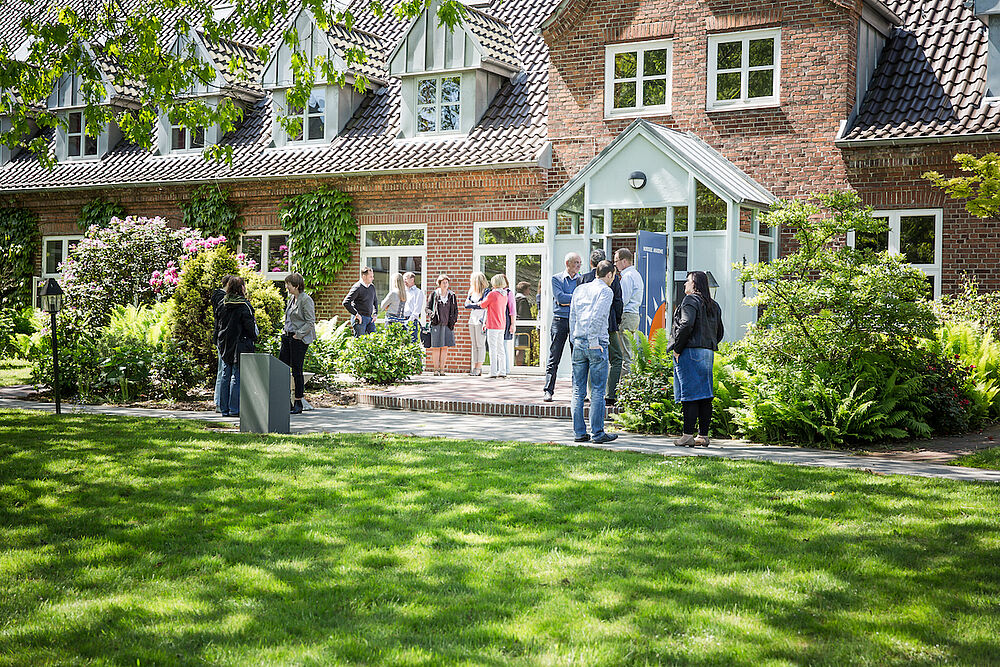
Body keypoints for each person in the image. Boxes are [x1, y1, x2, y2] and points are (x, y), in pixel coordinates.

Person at [667, 271, 725, 447]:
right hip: (707, 353)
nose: (685, 284)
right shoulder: (713, 305)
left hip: (690, 352)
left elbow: (686, 324)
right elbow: (719, 332)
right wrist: (708, 343)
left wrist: (677, 348)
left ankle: (687, 435)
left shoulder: (690, 300)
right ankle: (703, 436)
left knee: (690, 396)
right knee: (705, 396)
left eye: (688, 281)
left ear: (695, 284)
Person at [569, 260, 618, 444]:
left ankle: (579, 433)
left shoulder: (580, 289)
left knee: (577, 389)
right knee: (597, 390)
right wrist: (593, 341)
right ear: (609, 274)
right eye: (613, 276)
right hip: (595, 343)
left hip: (579, 342)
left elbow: (572, 316)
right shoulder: (606, 291)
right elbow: (598, 317)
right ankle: (597, 433)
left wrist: (575, 340)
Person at [582, 249, 624, 406]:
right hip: (609, 324)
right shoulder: (613, 280)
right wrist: (617, 320)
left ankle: (592, 393)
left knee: (589, 359)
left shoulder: (583, 279)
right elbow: (619, 302)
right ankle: (610, 394)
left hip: (586, 325)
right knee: (616, 358)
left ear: (591, 263)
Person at [544, 251, 583, 401]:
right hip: (559, 321)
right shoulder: (556, 279)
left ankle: (577, 392)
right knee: (554, 356)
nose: (579, 266)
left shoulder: (582, 279)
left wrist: (569, 299)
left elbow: (579, 298)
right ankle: (548, 390)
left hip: (576, 321)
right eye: (576, 263)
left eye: (580, 263)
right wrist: (576, 297)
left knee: (577, 358)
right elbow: (560, 298)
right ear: (568, 264)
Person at [216, 276, 258, 418]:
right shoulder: (244, 305)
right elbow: (249, 326)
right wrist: (254, 337)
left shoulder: (222, 303)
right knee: (237, 376)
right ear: (241, 288)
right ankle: (235, 409)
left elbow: (219, 324)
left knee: (225, 375)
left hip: (225, 343)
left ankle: (224, 409)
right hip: (240, 343)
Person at [280, 272, 316, 415]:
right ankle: (285, 401)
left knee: (296, 370)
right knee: (282, 368)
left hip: (299, 339)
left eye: (288, 284)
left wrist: (298, 335)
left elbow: (310, 322)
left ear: (296, 286)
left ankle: (298, 402)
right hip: (287, 337)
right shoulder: (291, 299)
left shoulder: (305, 300)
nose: (286, 287)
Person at [615, 248, 643, 376]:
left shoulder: (627, 277)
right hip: (634, 315)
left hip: (626, 315)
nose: (615, 264)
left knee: (625, 354)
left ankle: (626, 385)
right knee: (629, 351)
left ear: (624, 261)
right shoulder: (636, 274)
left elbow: (623, 300)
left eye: (617, 261)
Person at [425, 274, 458, 375]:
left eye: (447, 282)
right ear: (439, 284)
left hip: (448, 325)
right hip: (436, 324)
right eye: (443, 282)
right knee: (436, 347)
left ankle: (442, 369)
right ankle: (435, 370)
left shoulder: (452, 295)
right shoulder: (434, 294)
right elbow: (427, 308)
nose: (445, 284)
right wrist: (432, 315)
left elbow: (455, 310)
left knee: (444, 347)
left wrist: (454, 321)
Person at [211, 274, 235, 412]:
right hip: (223, 338)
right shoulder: (222, 299)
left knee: (222, 370)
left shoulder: (218, 297)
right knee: (223, 370)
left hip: (219, 337)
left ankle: (219, 401)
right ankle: (220, 402)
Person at [481, 274, 512, 378]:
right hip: (501, 324)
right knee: (501, 349)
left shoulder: (492, 294)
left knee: (493, 349)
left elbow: (482, 305)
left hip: (492, 325)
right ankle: (502, 371)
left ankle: (493, 371)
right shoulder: (504, 295)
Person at [464, 272, 489, 376]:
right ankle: (475, 366)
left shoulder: (486, 291)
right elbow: (466, 305)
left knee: (480, 344)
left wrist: (473, 305)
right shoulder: (471, 292)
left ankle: (479, 367)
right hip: (472, 320)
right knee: (474, 345)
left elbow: (483, 305)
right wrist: (476, 305)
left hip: (481, 320)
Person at [343, 266, 377, 336]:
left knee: (374, 339)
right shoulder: (357, 287)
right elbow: (346, 302)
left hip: (370, 319)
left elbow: (375, 301)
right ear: (364, 276)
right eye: (370, 277)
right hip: (360, 319)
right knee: (360, 343)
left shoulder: (372, 287)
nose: (373, 278)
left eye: (372, 276)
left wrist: (375, 314)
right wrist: (356, 314)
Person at [514, 280, 534, 366]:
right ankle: (519, 365)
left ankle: (518, 364)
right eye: (528, 289)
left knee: (518, 348)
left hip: (517, 328)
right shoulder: (522, 300)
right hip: (522, 328)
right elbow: (523, 315)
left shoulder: (515, 299)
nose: (529, 291)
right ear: (525, 290)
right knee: (521, 348)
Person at [402, 271, 424, 341]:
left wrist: (409, 321)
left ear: (412, 280)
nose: (404, 281)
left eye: (405, 279)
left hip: (411, 321)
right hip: (401, 320)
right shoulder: (403, 292)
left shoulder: (418, 292)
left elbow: (417, 309)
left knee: (412, 343)